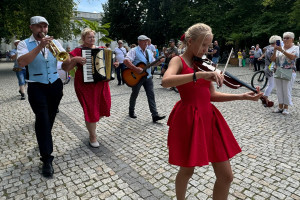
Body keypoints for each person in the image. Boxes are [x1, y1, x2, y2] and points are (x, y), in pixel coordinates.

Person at [161, 23, 263, 200]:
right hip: (189, 118)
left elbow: (212, 95)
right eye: (203, 45)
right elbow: (166, 81)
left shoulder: (205, 64)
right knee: (187, 170)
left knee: (226, 176)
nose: (206, 50)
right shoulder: (178, 61)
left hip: (209, 118)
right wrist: (198, 75)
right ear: (190, 41)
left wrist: (242, 96)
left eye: (208, 46)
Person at [17, 16, 66, 178]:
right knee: (43, 118)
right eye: (39, 27)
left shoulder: (55, 42)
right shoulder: (25, 44)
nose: (42, 30)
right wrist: (39, 47)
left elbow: (63, 61)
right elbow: (22, 62)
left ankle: (43, 137)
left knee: (50, 117)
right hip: (37, 85)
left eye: (45, 27)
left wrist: (72, 62)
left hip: (55, 84)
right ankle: (47, 158)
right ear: (32, 27)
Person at [62, 28, 113, 147]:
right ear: (83, 38)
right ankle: (92, 136)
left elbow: (107, 65)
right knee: (90, 110)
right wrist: (74, 59)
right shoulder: (77, 51)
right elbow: (66, 68)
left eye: (93, 37)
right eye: (89, 37)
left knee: (105, 106)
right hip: (85, 85)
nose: (92, 39)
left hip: (101, 84)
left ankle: (92, 122)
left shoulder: (101, 49)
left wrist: (112, 65)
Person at [123, 35, 165, 122]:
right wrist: (135, 68)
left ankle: (155, 115)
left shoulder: (149, 52)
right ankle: (131, 111)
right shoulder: (133, 51)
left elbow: (153, 64)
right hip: (137, 77)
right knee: (135, 94)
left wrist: (159, 62)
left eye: (147, 41)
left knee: (151, 95)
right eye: (144, 41)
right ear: (139, 42)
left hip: (148, 77)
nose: (146, 43)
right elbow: (126, 61)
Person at [271, 32, 299, 115]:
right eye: (284, 38)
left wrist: (282, 50)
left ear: (292, 39)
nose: (285, 39)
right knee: (279, 90)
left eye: (287, 38)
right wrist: (275, 50)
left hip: (289, 71)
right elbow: (273, 60)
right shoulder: (280, 48)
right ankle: (280, 106)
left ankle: (286, 108)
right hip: (278, 71)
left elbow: (292, 57)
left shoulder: (295, 48)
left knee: (286, 90)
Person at [261, 35, 282, 107]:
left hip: (268, 67)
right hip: (271, 68)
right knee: (271, 85)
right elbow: (274, 59)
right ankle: (265, 98)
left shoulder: (268, 48)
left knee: (270, 84)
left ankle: (265, 98)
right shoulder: (272, 49)